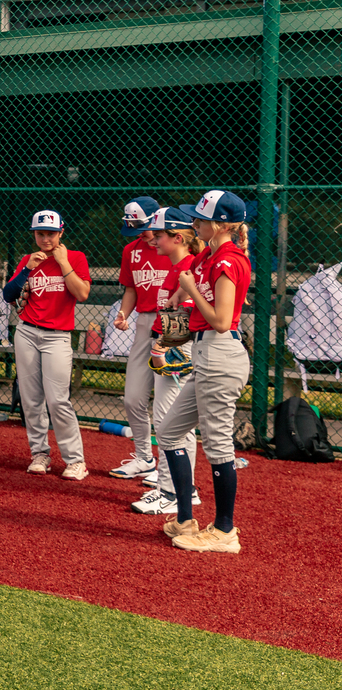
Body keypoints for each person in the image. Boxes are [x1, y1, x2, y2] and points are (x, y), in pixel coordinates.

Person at [158, 190, 252, 553]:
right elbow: (195, 314)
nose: (194, 223)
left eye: (200, 218)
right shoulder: (206, 257)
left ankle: (225, 531)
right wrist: (168, 333)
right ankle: (185, 518)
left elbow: (220, 320)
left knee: (217, 444)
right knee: (168, 432)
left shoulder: (228, 259)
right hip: (203, 353)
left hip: (220, 353)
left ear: (221, 224)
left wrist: (190, 291)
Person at [1, 210, 92, 479]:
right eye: (40, 233)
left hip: (58, 335)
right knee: (31, 399)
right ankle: (39, 453)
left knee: (58, 400)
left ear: (61, 232)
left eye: (51, 233)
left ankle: (76, 460)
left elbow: (83, 293)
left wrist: (64, 264)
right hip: (27, 331)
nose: (45, 239)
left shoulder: (75, 257)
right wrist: (27, 269)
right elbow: (8, 294)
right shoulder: (28, 260)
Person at [130, 207, 202, 516]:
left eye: (159, 235)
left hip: (176, 349)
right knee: (173, 422)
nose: (154, 240)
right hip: (171, 346)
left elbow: (183, 323)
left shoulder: (186, 265)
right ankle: (182, 489)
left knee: (169, 421)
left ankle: (173, 491)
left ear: (178, 237)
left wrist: (160, 347)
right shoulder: (178, 265)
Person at [109, 196, 167, 480]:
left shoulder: (173, 245)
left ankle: (169, 468)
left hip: (172, 327)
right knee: (133, 398)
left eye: (143, 227)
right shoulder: (131, 250)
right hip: (144, 323)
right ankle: (145, 458)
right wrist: (123, 313)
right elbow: (131, 288)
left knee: (167, 402)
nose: (142, 235)